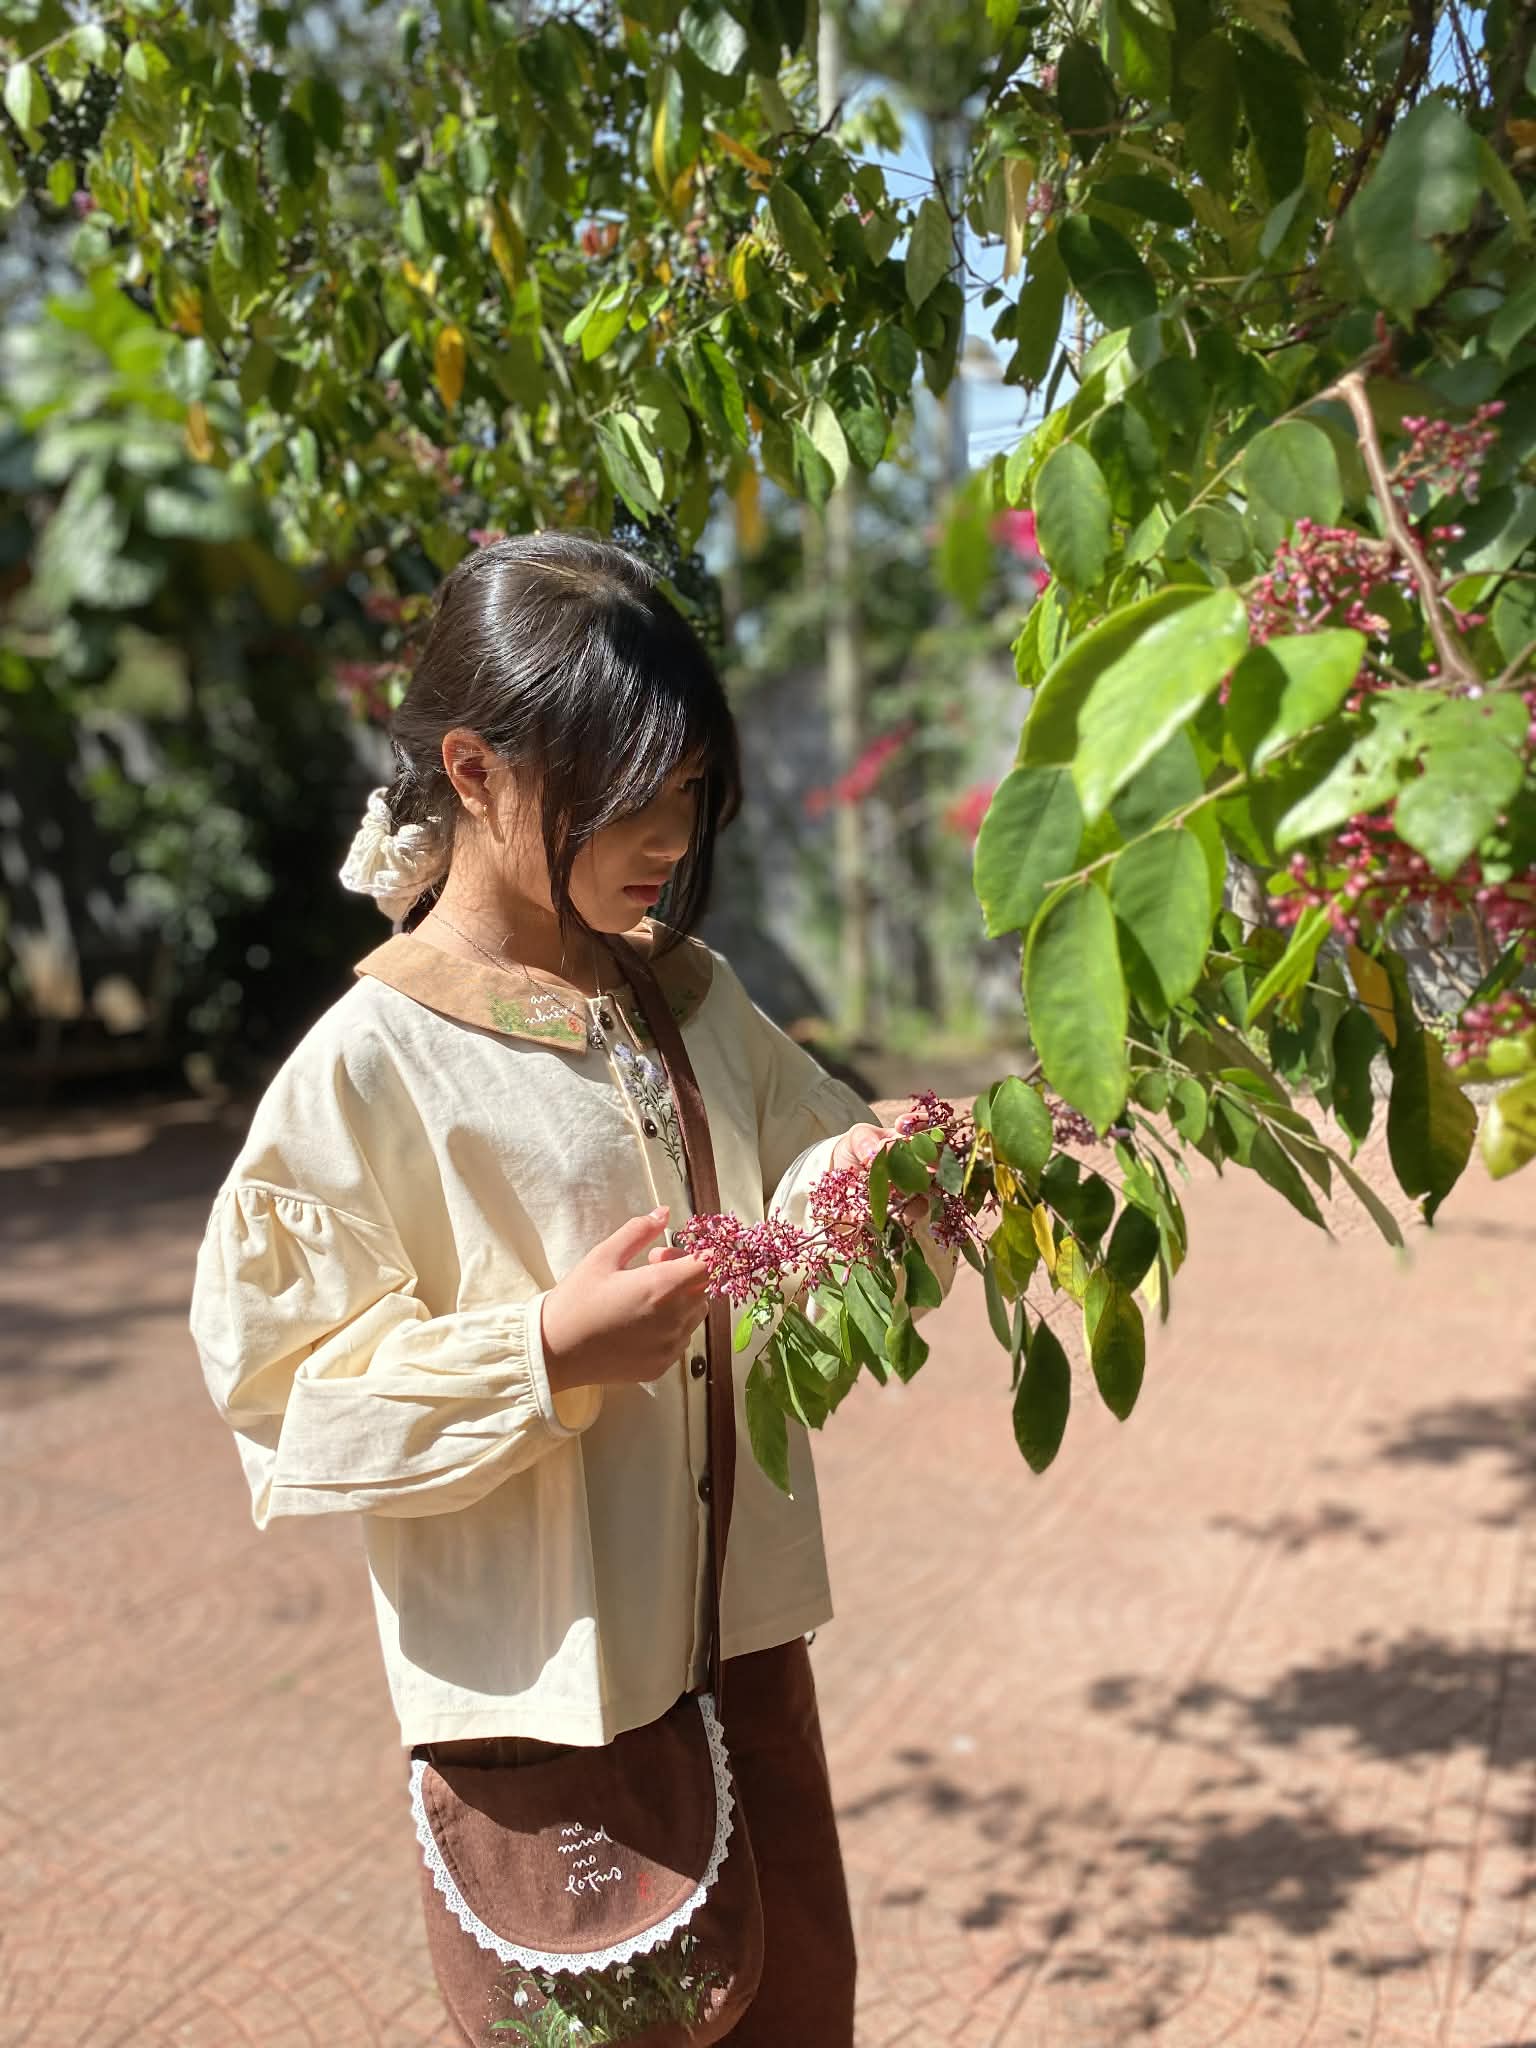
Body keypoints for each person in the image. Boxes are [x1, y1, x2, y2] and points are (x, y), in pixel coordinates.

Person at [188, 531, 954, 2045]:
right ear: (473, 771)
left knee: (800, 2011)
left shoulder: (686, 993)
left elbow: (807, 1172)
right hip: (548, 1698)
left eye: (691, 788)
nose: (670, 832)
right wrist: (545, 1353)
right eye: (628, 790)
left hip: (741, 1648)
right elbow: (288, 1401)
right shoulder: (371, 1066)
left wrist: (890, 1171)